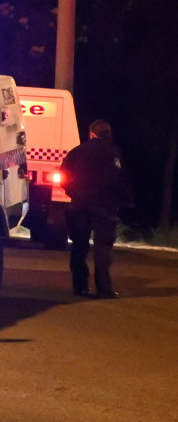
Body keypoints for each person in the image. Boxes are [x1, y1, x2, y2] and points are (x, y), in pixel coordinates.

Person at [60, 119, 131, 299]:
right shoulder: (113, 153)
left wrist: (72, 193)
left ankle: (80, 286)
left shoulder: (76, 153)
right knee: (103, 248)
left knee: (79, 246)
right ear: (108, 134)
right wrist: (125, 200)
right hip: (105, 206)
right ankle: (104, 289)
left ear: (92, 133)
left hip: (79, 205)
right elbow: (118, 180)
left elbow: (63, 177)